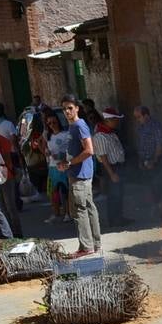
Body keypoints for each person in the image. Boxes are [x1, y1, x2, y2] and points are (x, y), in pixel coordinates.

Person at [60, 95, 101, 258]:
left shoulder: (79, 125)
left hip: (80, 175)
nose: (67, 111)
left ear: (77, 108)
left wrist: (70, 164)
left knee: (79, 210)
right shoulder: (73, 126)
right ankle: (94, 244)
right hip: (78, 173)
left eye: (70, 108)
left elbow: (89, 150)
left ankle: (86, 246)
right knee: (88, 207)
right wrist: (65, 162)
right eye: (64, 109)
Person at [91, 107, 131, 229]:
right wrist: (112, 174)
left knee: (119, 194)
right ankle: (114, 221)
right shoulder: (100, 136)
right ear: (109, 120)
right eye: (116, 120)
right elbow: (103, 157)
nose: (117, 122)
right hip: (110, 167)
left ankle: (119, 217)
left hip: (118, 166)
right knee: (113, 195)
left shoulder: (111, 133)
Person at [134, 105, 162, 202]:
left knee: (157, 186)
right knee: (148, 185)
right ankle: (153, 205)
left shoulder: (156, 127)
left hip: (155, 161)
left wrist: (154, 161)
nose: (137, 120)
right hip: (144, 160)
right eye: (136, 117)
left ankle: (161, 206)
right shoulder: (140, 128)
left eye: (139, 117)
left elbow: (160, 145)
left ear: (146, 116)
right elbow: (140, 144)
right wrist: (140, 160)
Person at [43, 113, 70, 222]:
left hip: (63, 166)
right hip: (52, 167)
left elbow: (69, 151)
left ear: (58, 122)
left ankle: (68, 213)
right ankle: (56, 213)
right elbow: (45, 148)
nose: (52, 125)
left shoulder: (65, 134)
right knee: (52, 192)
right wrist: (46, 152)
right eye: (49, 123)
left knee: (65, 191)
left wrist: (59, 155)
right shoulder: (48, 136)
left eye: (54, 122)